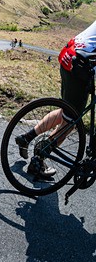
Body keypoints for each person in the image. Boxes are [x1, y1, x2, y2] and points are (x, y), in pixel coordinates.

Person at [14, 20, 96, 180]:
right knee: (70, 123)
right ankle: (38, 160)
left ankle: (27, 137)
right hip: (79, 66)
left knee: (66, 111)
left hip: (69, 56)